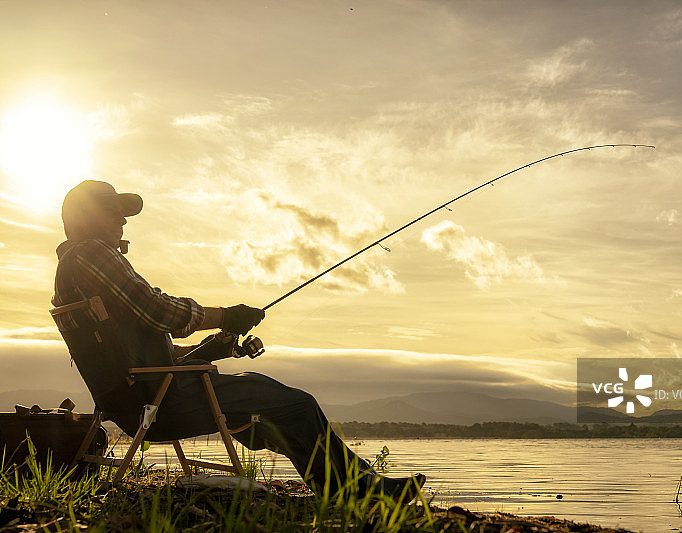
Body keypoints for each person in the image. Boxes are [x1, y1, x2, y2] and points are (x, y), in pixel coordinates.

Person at [52, 180, 425, 499]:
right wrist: (225, 314)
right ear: (84, 217)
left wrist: (213, 347)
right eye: (113, 210)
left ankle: (351, 484)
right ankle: (358, 489)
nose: (122, 219)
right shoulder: (93, 253)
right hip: (160, 405)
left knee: (268, 416)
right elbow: (158, 311)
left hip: (135, 400)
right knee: (296, 404)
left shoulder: (69, 269)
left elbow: (136, 351)